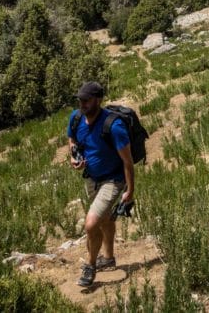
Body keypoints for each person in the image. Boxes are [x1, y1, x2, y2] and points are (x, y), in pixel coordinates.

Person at [67, 81, 134, 288]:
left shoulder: (114, 126)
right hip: (91, 178)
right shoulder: (76, 118)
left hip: (113, 180)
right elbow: (71, 140)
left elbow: (128, 162)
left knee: (91, 224)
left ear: (98, 99)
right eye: (80, 100)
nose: (83, 104)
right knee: (104, 218)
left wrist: (130, 190)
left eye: (86, 100)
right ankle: (109, 257)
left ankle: (90, 265)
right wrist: (73, 157)